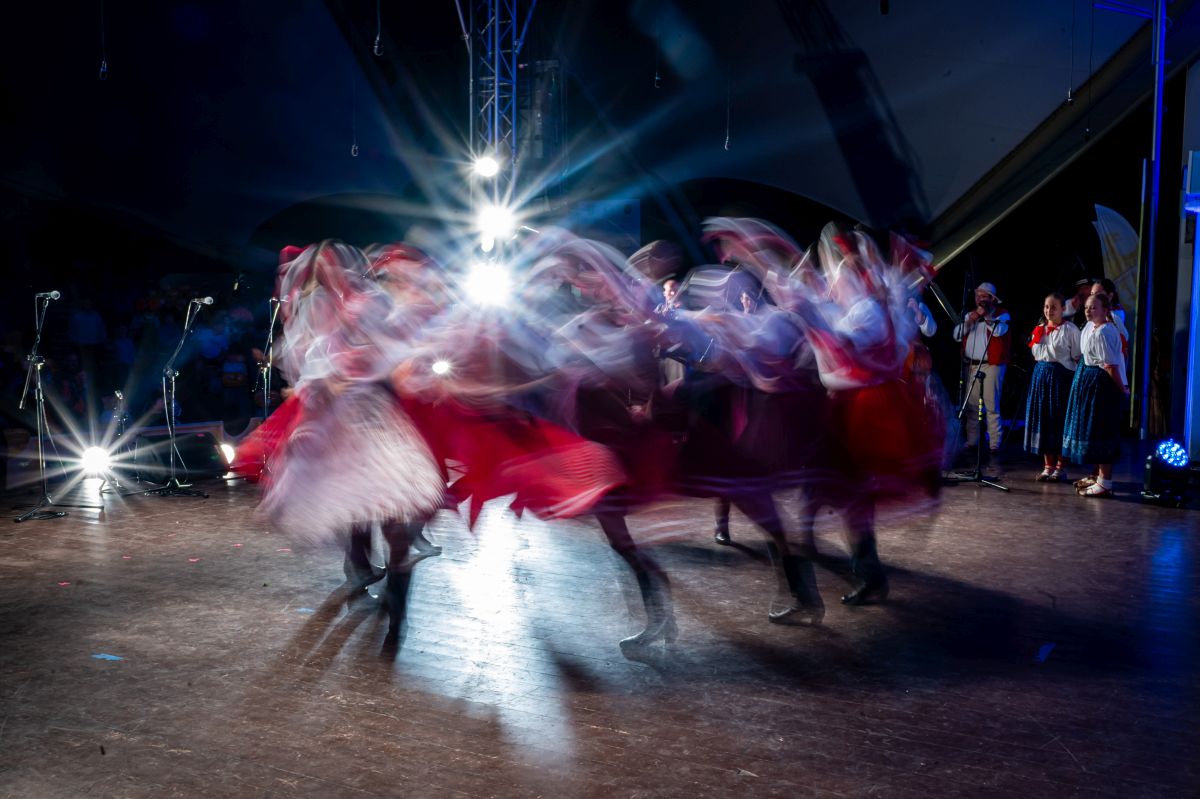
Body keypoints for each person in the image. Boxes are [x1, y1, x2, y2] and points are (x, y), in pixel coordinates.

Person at [1063, 292, 1128, 497]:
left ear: (1105, 310)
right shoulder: (1092, 328)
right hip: (1092, 381)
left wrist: (1122, 389)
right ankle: (1099, 478)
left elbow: (1110, 366)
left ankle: (1105, 482)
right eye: (1086, 307)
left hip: (1102, 384)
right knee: (1096, 431)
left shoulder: (1104, 332)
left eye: (1093, 307)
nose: (1088, 311)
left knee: (1102, 432)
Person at [1024, 293, 1081, 481]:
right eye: (1046, 307)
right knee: (1044, 420)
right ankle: (1047, 466)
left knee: (1059, 421)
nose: (1049, 311)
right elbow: (1035, 353)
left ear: (1063, 309)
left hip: (1061, 378)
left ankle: (1060, 468)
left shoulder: (1070, 330)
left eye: (1054, 307)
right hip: (1041, 377)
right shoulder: (1039, 329)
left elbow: (1077, 356)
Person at [952, 282, 1011, 461]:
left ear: (992, 299)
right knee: (971, 406)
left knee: (991, 406)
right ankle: (972, 440)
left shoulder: (1002, 314)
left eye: (983, 296)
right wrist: (970, 320)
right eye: (978, 296)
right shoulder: (971, 315)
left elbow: (999, 332)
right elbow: (956, 335)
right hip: (972, 365)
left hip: (992, 365)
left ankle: (994, 443)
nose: (979, 299)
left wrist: (988, 316)